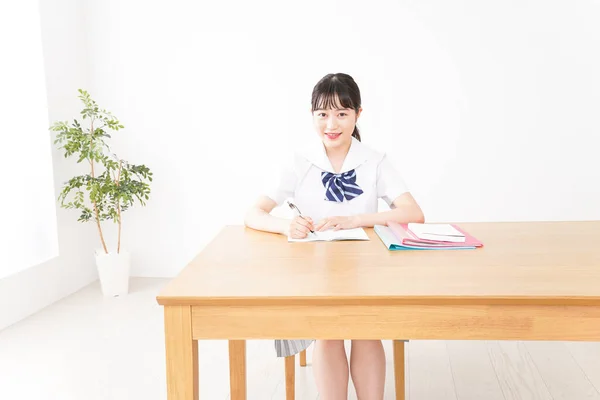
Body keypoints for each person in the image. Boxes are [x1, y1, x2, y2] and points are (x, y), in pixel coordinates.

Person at [244, 72, 424, 400]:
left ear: (358, 114)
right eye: (323, 114)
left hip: (365, 266)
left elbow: (413, 213)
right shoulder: (299, 161)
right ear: (312, 115)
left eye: (342, 113)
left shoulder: (374, 160)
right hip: (313, 267)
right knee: (327, 330)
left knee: (366, 330)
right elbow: (253, 213)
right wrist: (288, 225)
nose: (332, 123)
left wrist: (357, 218)